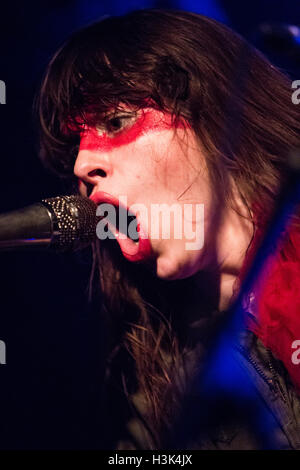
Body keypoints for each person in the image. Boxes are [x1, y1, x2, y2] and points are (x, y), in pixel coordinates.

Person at [36, 9, 300, 449]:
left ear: (214, 117)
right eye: (75, 150)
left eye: (115, 122)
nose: (82, 166)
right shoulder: (166, 397)